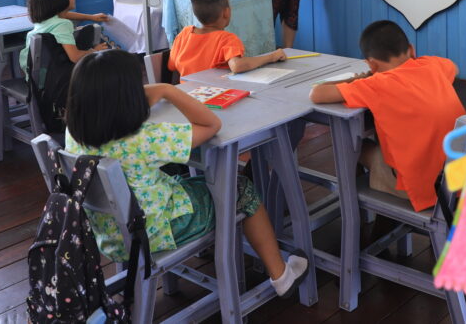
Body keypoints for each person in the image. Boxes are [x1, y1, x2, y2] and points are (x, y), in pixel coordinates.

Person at [64, 50, 309, 297]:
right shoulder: (145, 138)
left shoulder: (73, 135)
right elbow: (212, 125)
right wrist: (167, 90)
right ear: (129, 97)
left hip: (109, 236)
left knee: (182, 178)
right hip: (156, 231)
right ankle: (282, 276)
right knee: (240, 188)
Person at [309, 20, 465, 211]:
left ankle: (353, 211)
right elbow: (454, 67)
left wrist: (358, 78)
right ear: (411, 49)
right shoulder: (433, 65)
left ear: (371, 64)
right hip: (462, 177)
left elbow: (317, 94)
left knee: (350, 145)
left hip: (427, 189)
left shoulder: (376, 84)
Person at [169, 0, 286, 77]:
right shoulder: (227, 39)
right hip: (215, 94)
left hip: (185, 94)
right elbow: (237, 65)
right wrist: (271, 57)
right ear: (226, 12)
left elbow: (172, 65)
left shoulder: (185, 33)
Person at [18, 0, 110, 73]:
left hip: (36, 75)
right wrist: (95, 51)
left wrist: (91, 17)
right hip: (57, 78)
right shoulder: (62, 24)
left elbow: (65, 15)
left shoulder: (45, 20)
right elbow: (75, 57)